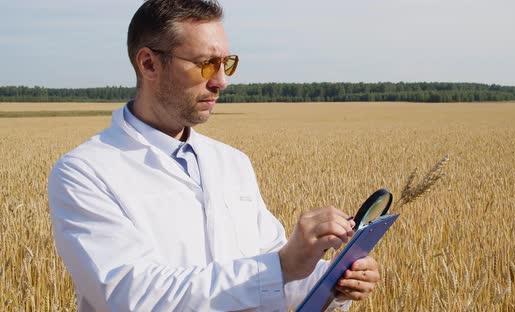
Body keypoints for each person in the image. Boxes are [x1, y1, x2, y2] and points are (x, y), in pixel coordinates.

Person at [48, 0, 381, 311]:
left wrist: (330, 281)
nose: (221, 81)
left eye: (226, 64)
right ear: (149, 63)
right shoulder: (85, 172)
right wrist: (282, 266)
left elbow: (274, 276)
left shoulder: (231, 162)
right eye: (206, 65)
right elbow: (128, 295)